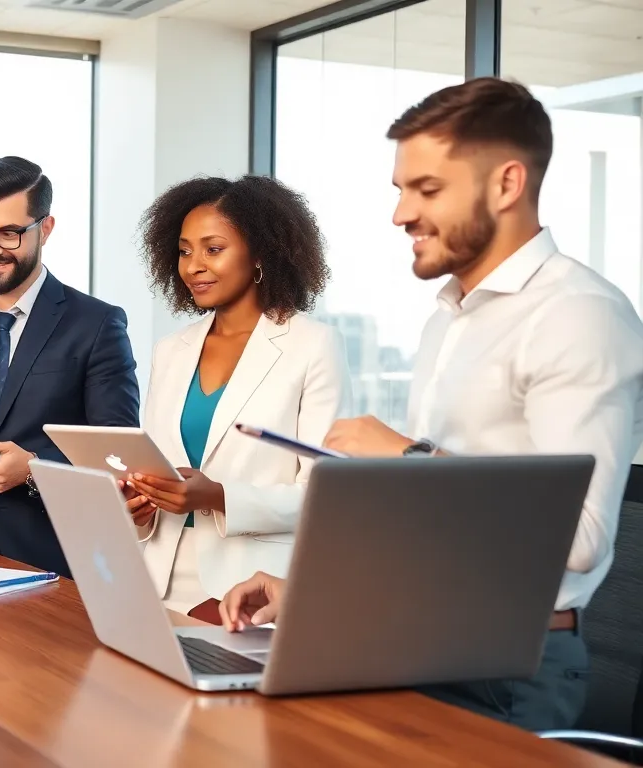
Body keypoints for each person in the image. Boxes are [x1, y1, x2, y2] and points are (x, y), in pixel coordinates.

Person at [225, 78, 643, 733]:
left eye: (427, 189)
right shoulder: (450, 319)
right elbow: (436, 522)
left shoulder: (578, 316)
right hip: (422, 642)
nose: (400, 214)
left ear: (506, 184)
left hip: (508, 673)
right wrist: (317, 598)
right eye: (400, 190)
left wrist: (406, 453)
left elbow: (580, 536)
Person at [122, 175, 349, 625]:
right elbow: (161, 466)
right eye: (185, 251)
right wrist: (140, 502)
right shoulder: (170, 351)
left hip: (246, 590)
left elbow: (329, 495)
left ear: (261, 253)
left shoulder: (313, 345)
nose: (193, 266)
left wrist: (220, 496)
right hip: (154, 583)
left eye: (213, 249)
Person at [0, 156, 141, 576]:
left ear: (45, 228)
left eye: (8, 234)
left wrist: (35, 471)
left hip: (55, 557)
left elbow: (117, 456)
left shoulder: (96, 324)